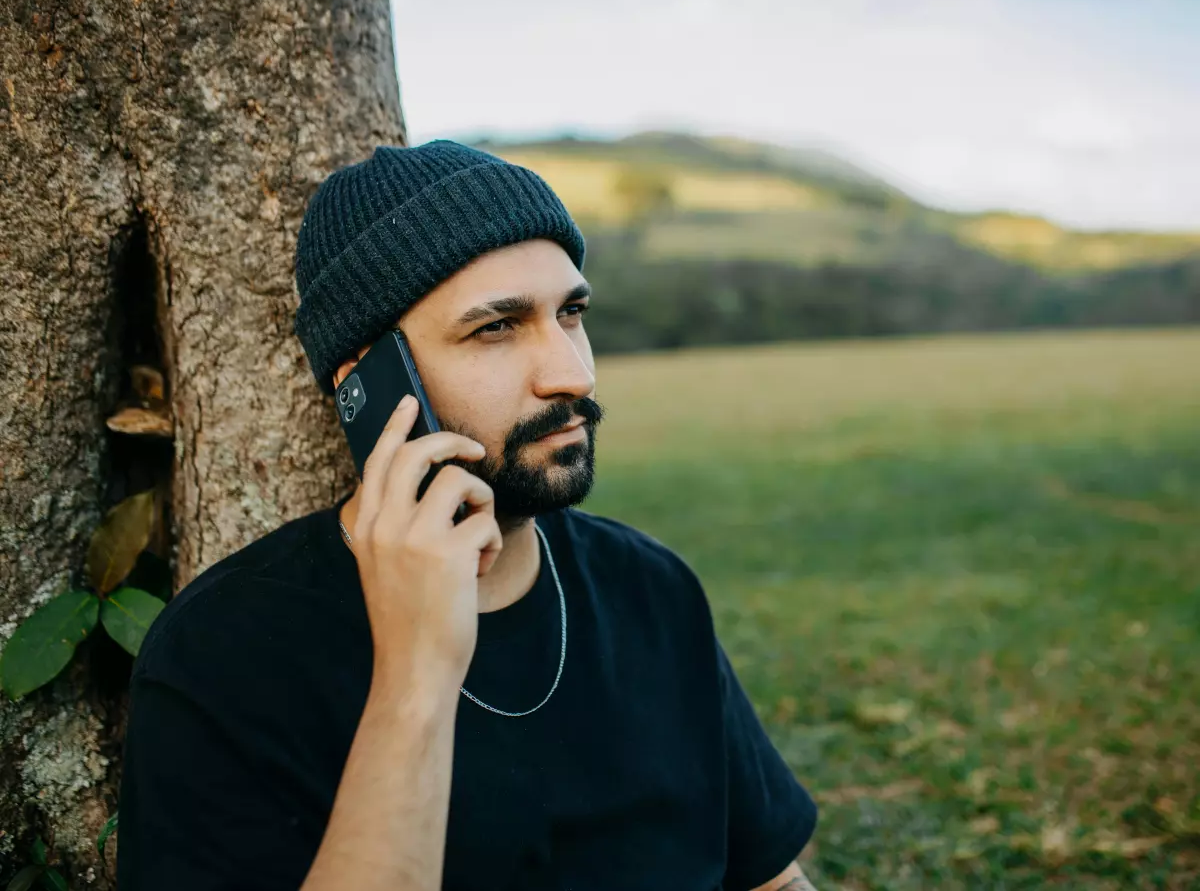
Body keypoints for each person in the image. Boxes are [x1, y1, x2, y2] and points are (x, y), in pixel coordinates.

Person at [116, 140, 819, 891]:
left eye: (571, 313)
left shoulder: (651, 590)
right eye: (496, 327)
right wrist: (417, 675)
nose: (573, 374)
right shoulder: (222, 655)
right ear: (368, 386)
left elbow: (771, 882)